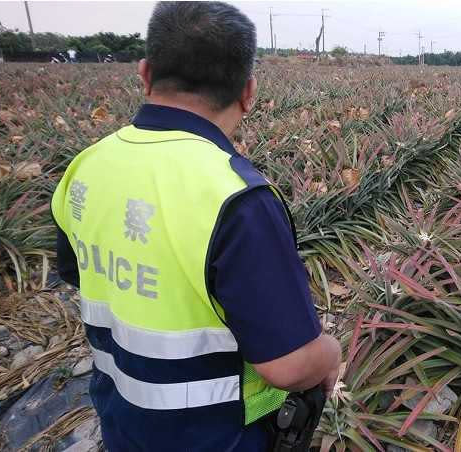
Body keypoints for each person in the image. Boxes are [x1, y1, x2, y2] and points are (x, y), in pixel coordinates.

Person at [50, 2, 341, 451]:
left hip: (120, 414)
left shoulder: (85, 167)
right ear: (249, 91)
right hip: (218, 435)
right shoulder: (236, 196)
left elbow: (78, 273)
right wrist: (330, 352)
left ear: (144, 74)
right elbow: (288, 365)